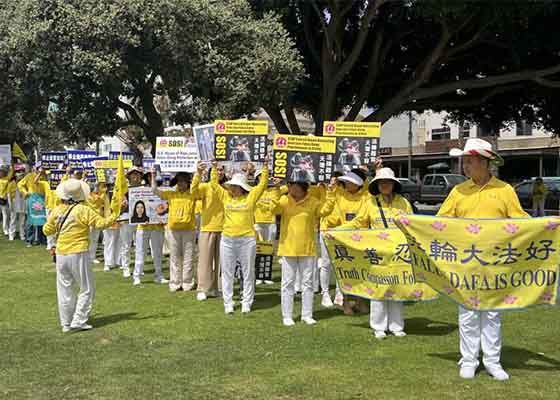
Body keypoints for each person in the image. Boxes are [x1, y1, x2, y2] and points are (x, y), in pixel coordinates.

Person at [438, 138, 529, 381]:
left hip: (495, 264)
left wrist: (547, 226)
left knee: (491, 313)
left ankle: (492, 361)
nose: (466, 166)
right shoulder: (458, 191)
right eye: (464, 162)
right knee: (467, 312)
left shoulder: (504, 190)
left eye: (470, 161)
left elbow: (520, 221)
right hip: (465, 264)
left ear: (485, 162)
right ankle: (468, 360)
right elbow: (440, 222)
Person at [340, 167, 412, 338]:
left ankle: (396, 326)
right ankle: (378, 326)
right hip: (377, 253)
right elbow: (358, 223)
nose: (385, 185)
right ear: (377, 185)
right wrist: (336, 231)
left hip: (398, 253)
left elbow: (412, 224)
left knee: (397, 289)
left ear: (394, 185)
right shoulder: (370, 203)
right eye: (381, 183)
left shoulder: (404, 203)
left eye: (388, 182)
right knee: (378, 290)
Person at [43, 179, 118, 332]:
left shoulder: (56, 210)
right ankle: (79, 319)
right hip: (78, 251)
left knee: (64, 288)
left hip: (61, 252)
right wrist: (116, 214)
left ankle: (66, 322)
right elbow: (101, 224)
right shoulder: (83, 210)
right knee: (86, 288)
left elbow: (46, 230)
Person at [207, 158, 268, 314]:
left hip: (247, 240)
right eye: (232, 186)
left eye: (235, 186)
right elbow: (214, 185)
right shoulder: (225, 196)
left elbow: (262, 185)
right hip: (227, 239)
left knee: (248, 272)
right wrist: (214, 168)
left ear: (242, 188)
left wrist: (265, 167)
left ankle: (247, 302)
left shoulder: (251, 197)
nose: (232, 188)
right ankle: (228, 303)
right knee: (227, 272)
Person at [271, 179, 336, 326]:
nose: (291, 189)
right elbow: (274, 209)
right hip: (288, 248)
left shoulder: (312, 201)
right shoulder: (284, 200)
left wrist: (331, 192)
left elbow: (325, 211)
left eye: (294, 186)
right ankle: (287, 315)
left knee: (308, 283)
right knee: (287, 283)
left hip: (308, 248)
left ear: (303, 188)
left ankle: (307, 314)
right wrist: (276, 189)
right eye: (290, 185)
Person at [151, 171, 197, 292]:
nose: (181, 183)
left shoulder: (193, 193)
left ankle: (187, 282)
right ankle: (175, 282)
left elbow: (199, 185)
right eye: (179, 181)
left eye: (184, 181)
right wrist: (153, 176)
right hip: (173, 229)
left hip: (189, 229)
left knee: (188, 257)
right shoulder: (171, 194)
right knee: (174, 257)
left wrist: (199, 172)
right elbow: (155, 191)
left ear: (188, 182)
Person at [191, 162, 227, 301]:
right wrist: (198, 173)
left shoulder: (227, 188)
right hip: (207, 228)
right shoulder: (206, 187)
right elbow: (193, 192)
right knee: (205, 261)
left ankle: (215, 288)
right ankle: (202, 288)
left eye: (221, 170)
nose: (219, 172)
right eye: (217, 170)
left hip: (224, 229)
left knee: (221, 262)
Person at [132, 173, 168, 286]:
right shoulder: (140, 190)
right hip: (143, 226)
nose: (151, 178)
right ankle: (137, 276)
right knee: (140, 252)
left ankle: (159, 275)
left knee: (157, 253)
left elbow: (166, 206)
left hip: (157, 226)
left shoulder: (162, 191)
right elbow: (135, 204)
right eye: (148, 177)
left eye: (153, 176)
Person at [253, 169, 282, 285]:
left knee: (269, 249)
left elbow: (287, 188)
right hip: (258, 223)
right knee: (259, 249)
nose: (264, 177)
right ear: (257, 178)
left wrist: (278, 184)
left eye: (266, 175)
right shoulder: (254, 190)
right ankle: (259, 276)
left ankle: (267, 275)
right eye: (260, 176)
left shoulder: (274, 190)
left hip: (271, 222)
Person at [119, 166, 144, 278]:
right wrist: (123, 205)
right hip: (127, 219)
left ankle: (138, 268)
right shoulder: (124, 189)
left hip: (140, 220)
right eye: (133, 174)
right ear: (128, 177)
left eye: (137, 174)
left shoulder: (144, 189)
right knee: (126, 245)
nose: (135, 176)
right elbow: (117, 207)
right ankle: (125, 267)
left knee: (140, 246)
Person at [18, 166, 47, 247]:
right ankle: (29, 240)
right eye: (39, 168)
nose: (40, 170)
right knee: (31, 220)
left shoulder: (45, 176)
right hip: (32, 198)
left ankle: (42, 239)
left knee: (42, 219)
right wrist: (25, 192)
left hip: (42, 199)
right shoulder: (29, 176)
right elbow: (20, 184)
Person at [87, 182, 109, 264]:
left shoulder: (99, 196)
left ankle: (92, 257)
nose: (96, 189)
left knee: (94, 240)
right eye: (94, 187)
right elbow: (99, 197)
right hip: (89, 220)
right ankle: (88, 257)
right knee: (89, 239)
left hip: (97, 220)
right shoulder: (89, 197)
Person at [0, 166, 10, 236]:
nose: (1, 173)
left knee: (5, 215)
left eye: (2, 171)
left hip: (3, 199)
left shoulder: (7, 179)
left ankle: (5, 230)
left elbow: (12, 172)